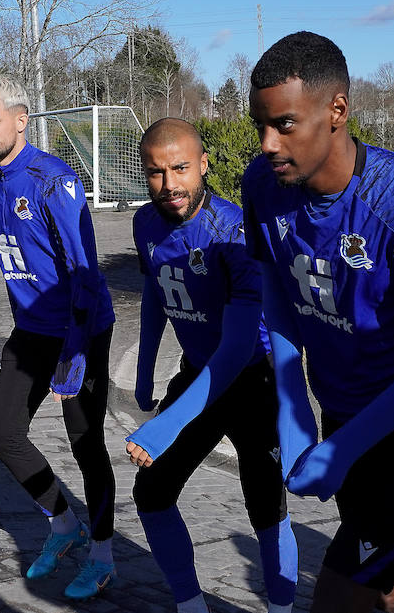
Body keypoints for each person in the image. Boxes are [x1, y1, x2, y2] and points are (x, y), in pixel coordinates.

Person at [241, 32, 394, 613]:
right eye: (260, 126)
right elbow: (277, 291)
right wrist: (295, 411)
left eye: (285, 124)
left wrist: (342, 448)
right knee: (390, 584)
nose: (268, 144)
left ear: (337, 111)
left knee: (341, 591)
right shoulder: (261, 186)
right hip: (342, 407)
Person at [125, 118, 298, 613]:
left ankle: (281, 608)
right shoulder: (144, 223)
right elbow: (157, 296)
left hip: (251, 380)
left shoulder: (233, 232)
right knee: (152, 493)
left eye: (180, 168)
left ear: (203, 164)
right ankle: (190, 604)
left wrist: (164, 427)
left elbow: (239, 346)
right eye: (156, 172)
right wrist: (143, 369)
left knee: (266, 510)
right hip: (196, 372)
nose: (169, 184)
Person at [0, 75, 118, 600]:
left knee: (86, 445)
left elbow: (84, 273)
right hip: (31, 329)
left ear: (20, 119)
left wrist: (76, 352)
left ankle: (102, 555)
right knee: (1, 434)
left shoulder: (53, 180)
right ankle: (62, 523)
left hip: (81, 331)